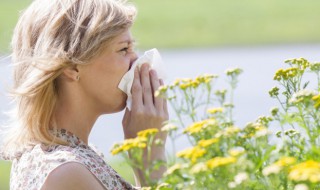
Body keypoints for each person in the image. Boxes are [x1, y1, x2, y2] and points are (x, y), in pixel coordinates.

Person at [0, 0, 168, 189]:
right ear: (72, 66)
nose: (136, 60)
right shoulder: (66, 173)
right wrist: (150, 155)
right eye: (123, 49)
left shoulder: (67, 156)